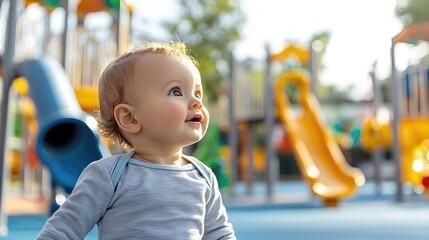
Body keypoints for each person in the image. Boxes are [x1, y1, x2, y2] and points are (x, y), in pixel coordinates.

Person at [36, 41, 236, 239]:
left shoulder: (203, 177)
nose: (197, 102)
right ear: (129, 118)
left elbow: (219, 234)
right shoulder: (109, 175)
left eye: (197, 93)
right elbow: (63, 229)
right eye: (176, 91)